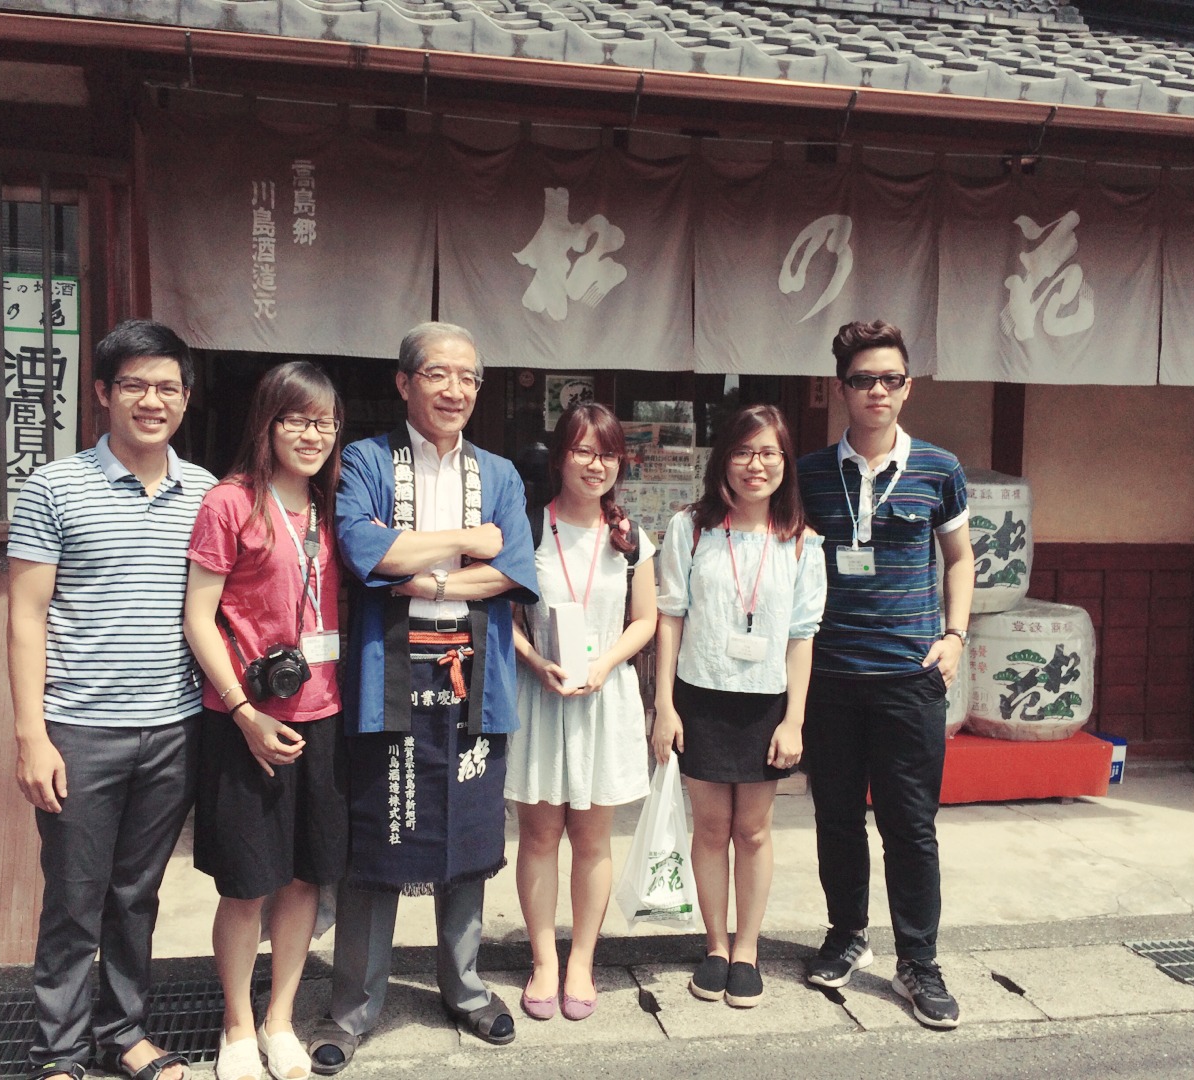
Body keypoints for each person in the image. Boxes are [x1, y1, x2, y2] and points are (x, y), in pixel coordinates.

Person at [310, 322, 538, 1074]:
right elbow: (362, 550)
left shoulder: (500, 472)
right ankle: (353, 1007)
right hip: (389, 678)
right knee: (375, 841)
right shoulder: (366, 461)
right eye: (438, 374)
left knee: (468, 839)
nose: (455, 389)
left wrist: (421, 572)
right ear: (405, 382)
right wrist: (468, 542)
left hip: (474, 679)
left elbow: (513, 569)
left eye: (468, 377)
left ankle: (465, 987)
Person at [7, 320, 215, 1080]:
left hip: (174, 726)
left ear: (186, 398)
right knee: (74, 899)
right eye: (134, 385)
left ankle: (124, 1033)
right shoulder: (54, 487)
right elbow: (25, 616)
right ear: (102, 392)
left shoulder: (207, 493)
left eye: (167, 387)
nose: (152, 401)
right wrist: (32, 734)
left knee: (137, 895)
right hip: (80, 730)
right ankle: (59, 1053)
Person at [796, 320, 973, 1030]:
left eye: (890, 380)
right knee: (837, 817)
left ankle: (919, 962)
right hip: (831, 674)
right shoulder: (810, 473)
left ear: (907, 387)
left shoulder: (939, 468)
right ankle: (846, 935)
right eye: (864, 380)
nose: (878, 391)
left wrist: (955, 637)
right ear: (841, 389)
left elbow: (959, 558)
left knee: (910, 826)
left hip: (909, 675)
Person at [183, 362, 350, 1080]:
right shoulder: (231, 503)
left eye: (325, 422)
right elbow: (198, 617)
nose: (313, 435)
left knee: (305, 879)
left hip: (323, 716)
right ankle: (237, 1025)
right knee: (247, 883)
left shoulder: (333, 505)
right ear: (268, 423)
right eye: (297, 420)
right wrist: (245, 712)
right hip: (243, 720)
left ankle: (280, 1019)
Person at [651, 404, 826, 1009]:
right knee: (709, 827)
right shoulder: (690, 528)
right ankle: (716, 946)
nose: (757, 465)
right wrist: (664, 706)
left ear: (785, 462)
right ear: (724, 459)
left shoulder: (801, 542)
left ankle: (747, 950)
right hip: (699, 695)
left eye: (769, 452)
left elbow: (801, 637)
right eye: (744, 451)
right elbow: (670, 617)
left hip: (766, 705)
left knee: (752, 831)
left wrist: (794, 720)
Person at [507, 402, 658, 1021]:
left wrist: (604, 664)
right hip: (541, 697)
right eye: (584, 451)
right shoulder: (526, 529)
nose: (597, 465)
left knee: (593, 841)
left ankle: (582, 961)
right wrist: (536, 663)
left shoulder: (631, 539)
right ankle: (544, 960)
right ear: (560, 457)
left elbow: (645, 620)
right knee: (540, 836)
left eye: (608, 454)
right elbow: (504, 620)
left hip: (604, 696)